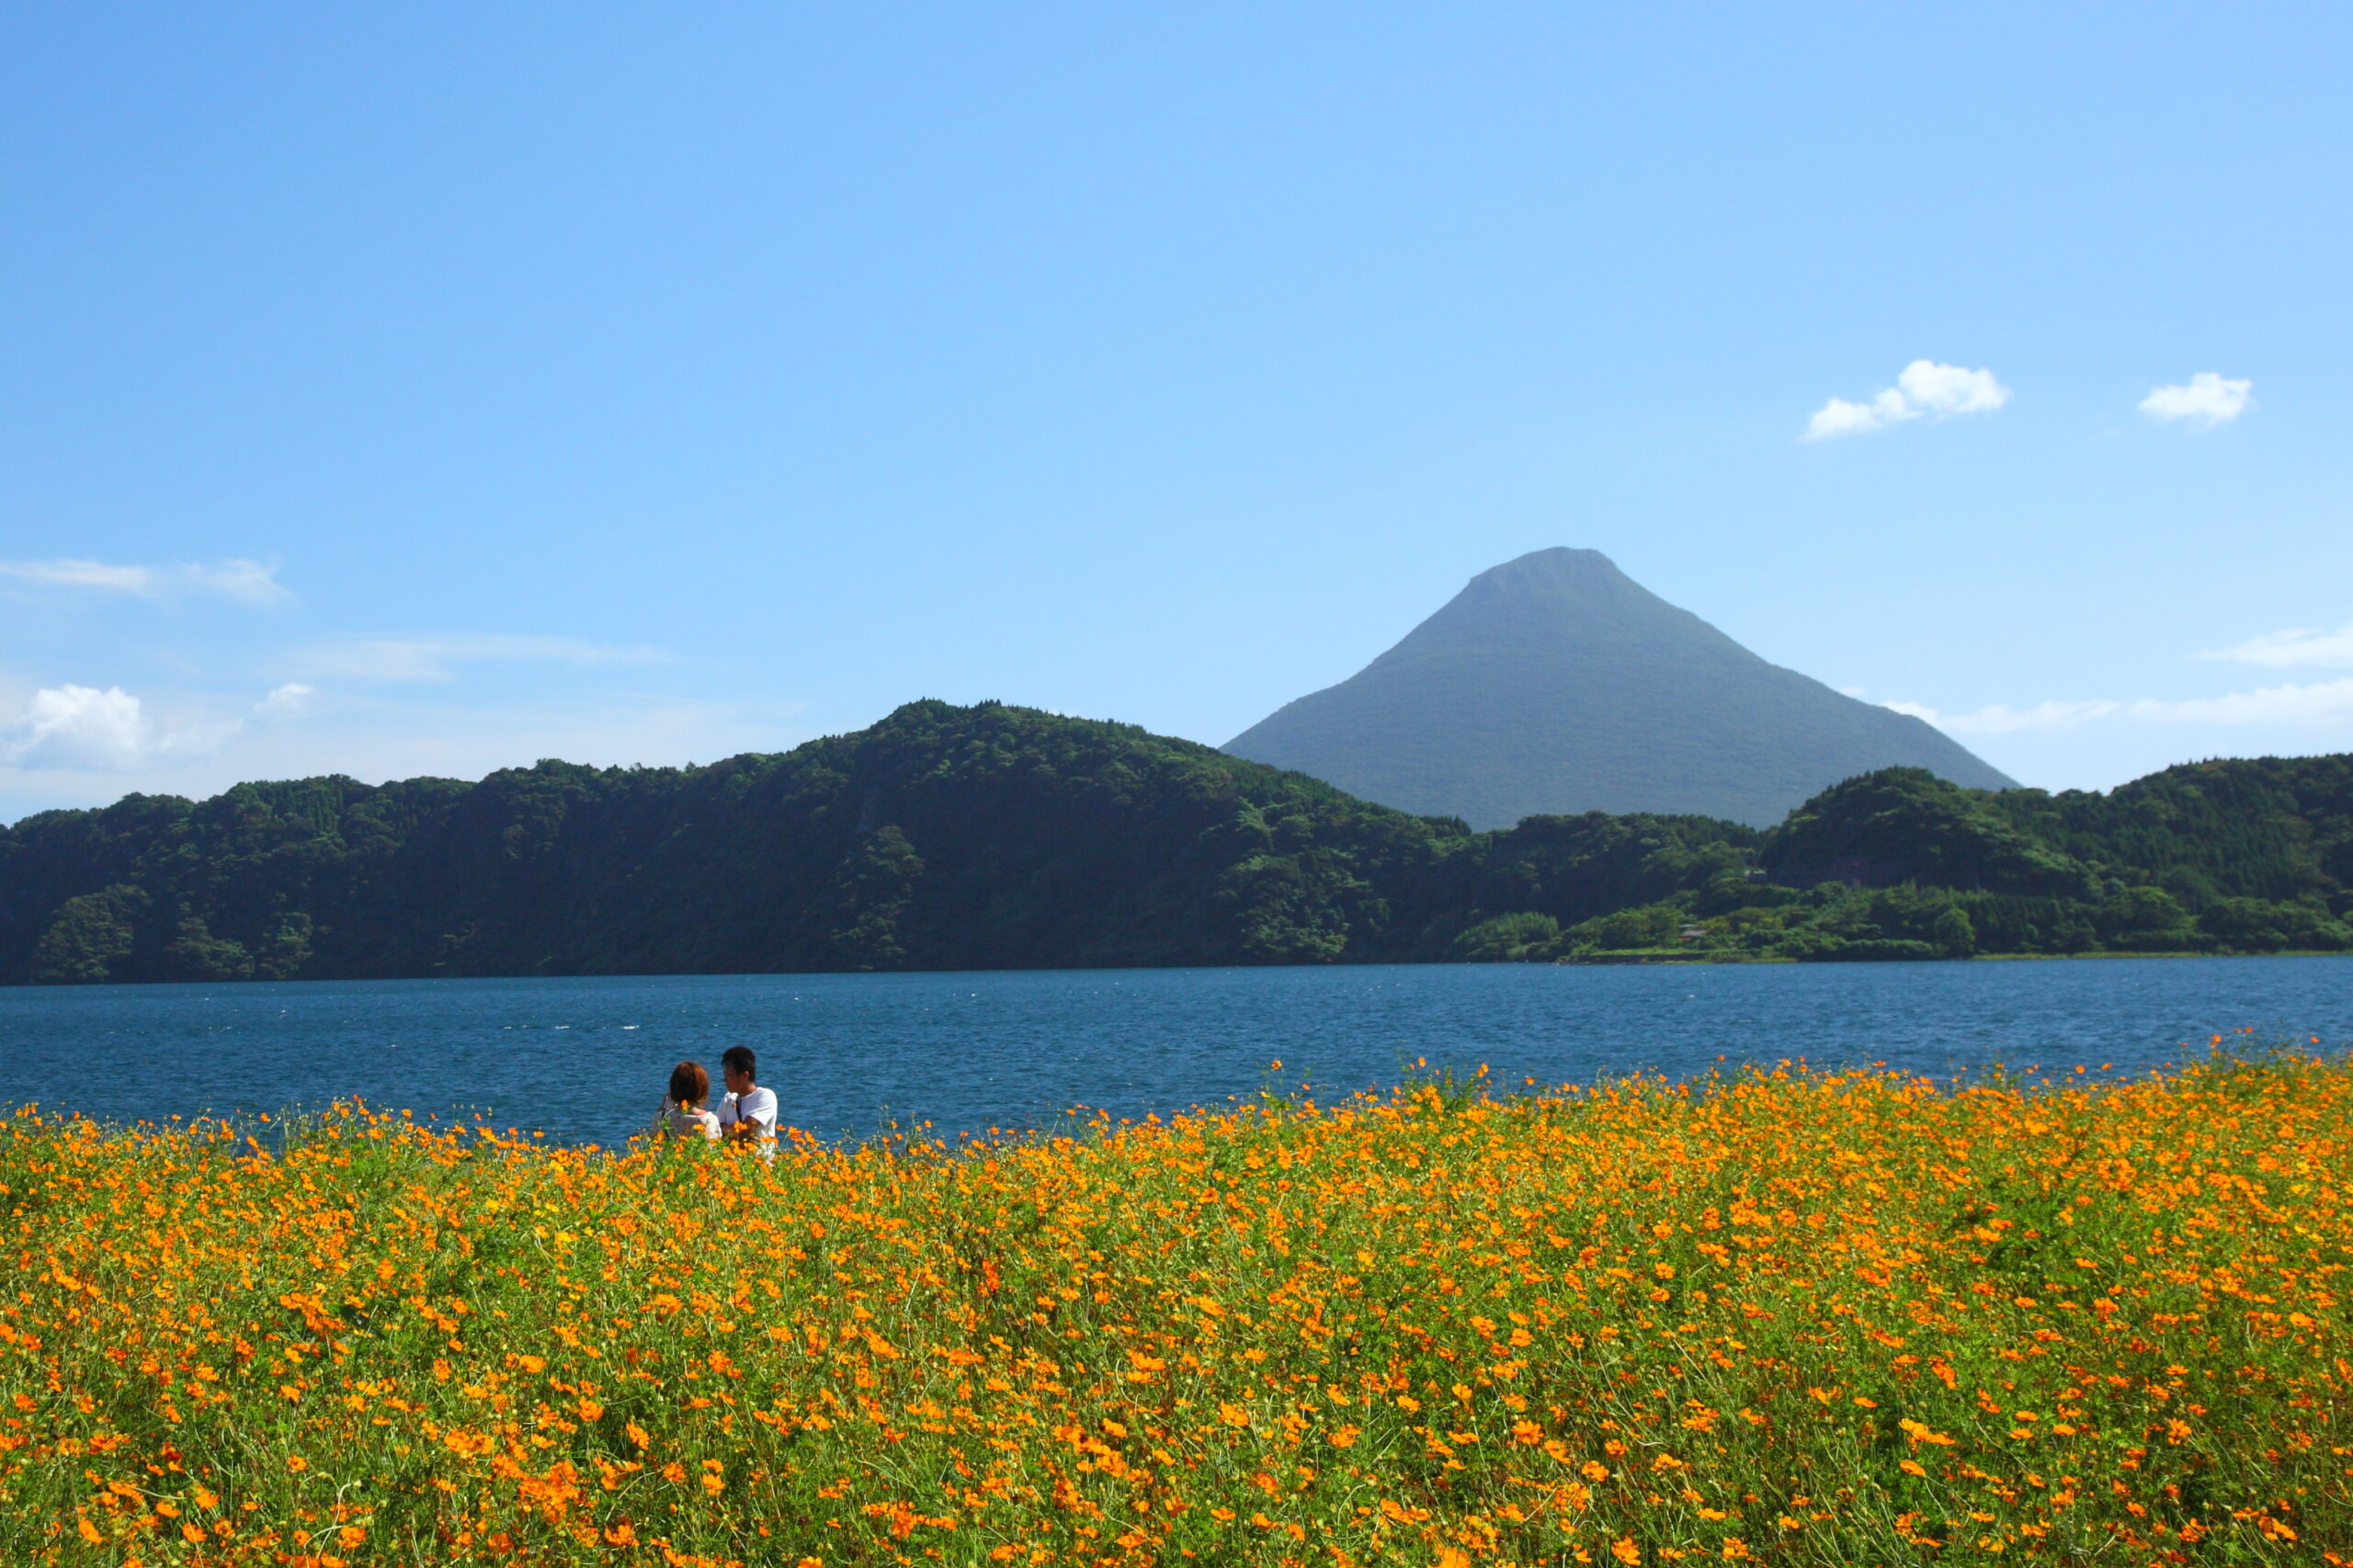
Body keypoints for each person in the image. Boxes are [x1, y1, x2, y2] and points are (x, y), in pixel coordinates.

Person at [715, 1045, 779, 1159]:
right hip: (732, 1166)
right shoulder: (728, 1099)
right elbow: (716, 1131)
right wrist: (731, 1131)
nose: (725, 1080)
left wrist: (726, 1129)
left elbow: (745, 1132)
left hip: (760, 1166)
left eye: (729, 1076)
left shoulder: (764, 1096)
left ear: (745, 1075)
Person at [654, 1060, 721, 1142]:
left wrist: (662, 1108)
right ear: (702, 1089)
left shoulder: (661, 1118)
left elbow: (654, 1145)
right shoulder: (709, 1120)